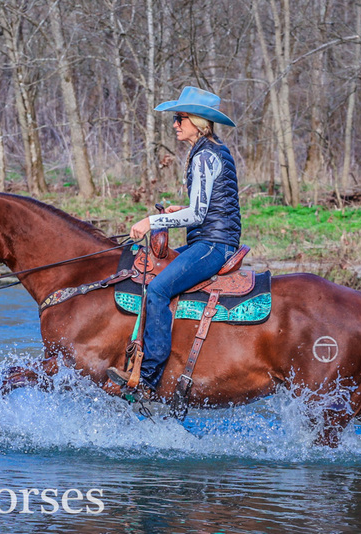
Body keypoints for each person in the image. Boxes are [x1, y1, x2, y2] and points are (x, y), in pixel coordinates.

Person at [107, 86, 241, 394]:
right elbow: (209, 206)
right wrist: (179, 209)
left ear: (197, 121)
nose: (174, 124)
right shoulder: (209, 150)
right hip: (212, 240)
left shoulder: (205, 156)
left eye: (180, 118)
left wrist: (151, 221)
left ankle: (149, 376)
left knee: (157, 289)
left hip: (212, 245)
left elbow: (197, 216)